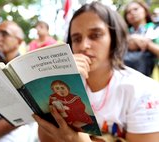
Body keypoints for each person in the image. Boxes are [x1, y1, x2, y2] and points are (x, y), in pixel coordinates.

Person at [33, 2, 159, 142]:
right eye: (76, 39)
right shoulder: (61, 87)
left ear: (114, 38)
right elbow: (46, 137)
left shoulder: (143, 90)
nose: (83, 46)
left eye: (95, 35)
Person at [123, 0, 159, 77]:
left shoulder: (154, 29)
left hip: (146, 77)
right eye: (128, 12)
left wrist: (148, 44)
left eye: (136, 9)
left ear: (145, 11)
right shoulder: (124, 33)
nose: (132, 13)